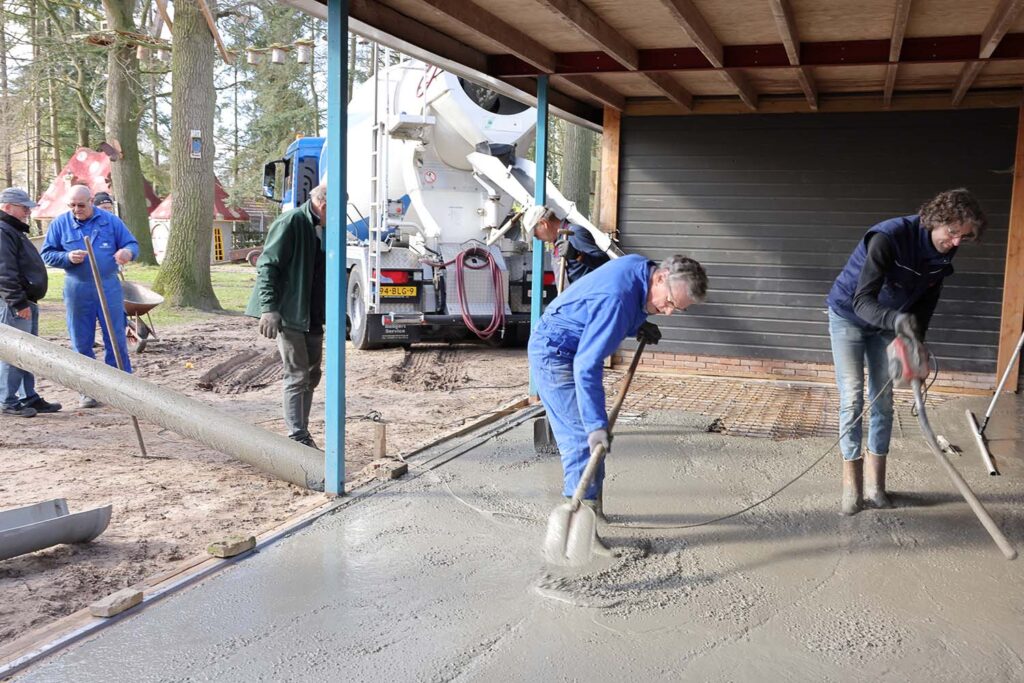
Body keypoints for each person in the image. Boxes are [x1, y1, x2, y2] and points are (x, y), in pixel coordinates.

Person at [528, 253, 707, 548]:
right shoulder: (618, 300)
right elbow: (587, 365)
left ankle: (594, 515)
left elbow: (612, 309)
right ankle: (580, 536)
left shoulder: (641, 268)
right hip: (556, 353)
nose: (670, 312)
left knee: (595, 441)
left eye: (679, 309)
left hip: (574, 344)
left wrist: (637, 325)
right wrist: (597, 426)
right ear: (661, 277)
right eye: (672, 303)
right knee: (583, 439)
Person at [826, 188, 987, 515]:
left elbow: (927, 301)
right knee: (853, 397)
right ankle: (851, 489)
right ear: (934, 220)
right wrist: (900, 322)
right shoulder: (889, 237)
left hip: (890, 321)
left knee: (883, 400)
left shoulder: (945, 250)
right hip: (849, 316)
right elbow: (861, 300)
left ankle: (876, 487)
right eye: (953, 232)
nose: (957, 242)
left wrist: (917, 341)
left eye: (965, 237)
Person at [41, 185, 138, 409]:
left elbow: (132, 243)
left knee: (115, 337)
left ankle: (123, 387)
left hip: (108, 286)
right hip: (77, 288)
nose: (76, 209)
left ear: (91, 201)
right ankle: (87, 390)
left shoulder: (111, 221)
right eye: (72, 205)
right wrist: (66, 257)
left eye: (81, 205)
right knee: (80, 340)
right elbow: (47, 253)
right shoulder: (60, 224)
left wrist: (127, 253)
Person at [246, 185, 327, 449]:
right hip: (291, 313)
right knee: (297, 374)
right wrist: (269, 308)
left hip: (312, 313)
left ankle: (301, 430)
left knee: (312, 374)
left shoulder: (324, 229)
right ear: (324, 205)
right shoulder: (291, 222)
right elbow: (268, 265)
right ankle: (298, 436)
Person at [0, 187, 62, 417]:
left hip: (26, 300)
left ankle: (29, 396)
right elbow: (4, 271)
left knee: (28, 352)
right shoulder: (3, 231)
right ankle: (8, 400)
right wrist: (17, 302)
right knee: (14, 351)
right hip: (15, 303)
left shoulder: (12, 230)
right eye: (23, 207)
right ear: (8, 208)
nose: (27, 211)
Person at [532, 209, 611, 285]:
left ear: (544, 223)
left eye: (536, 234)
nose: (537, 238)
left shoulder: (574, 234)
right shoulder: (557, 241)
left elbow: (605, 262)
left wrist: (577, 255)